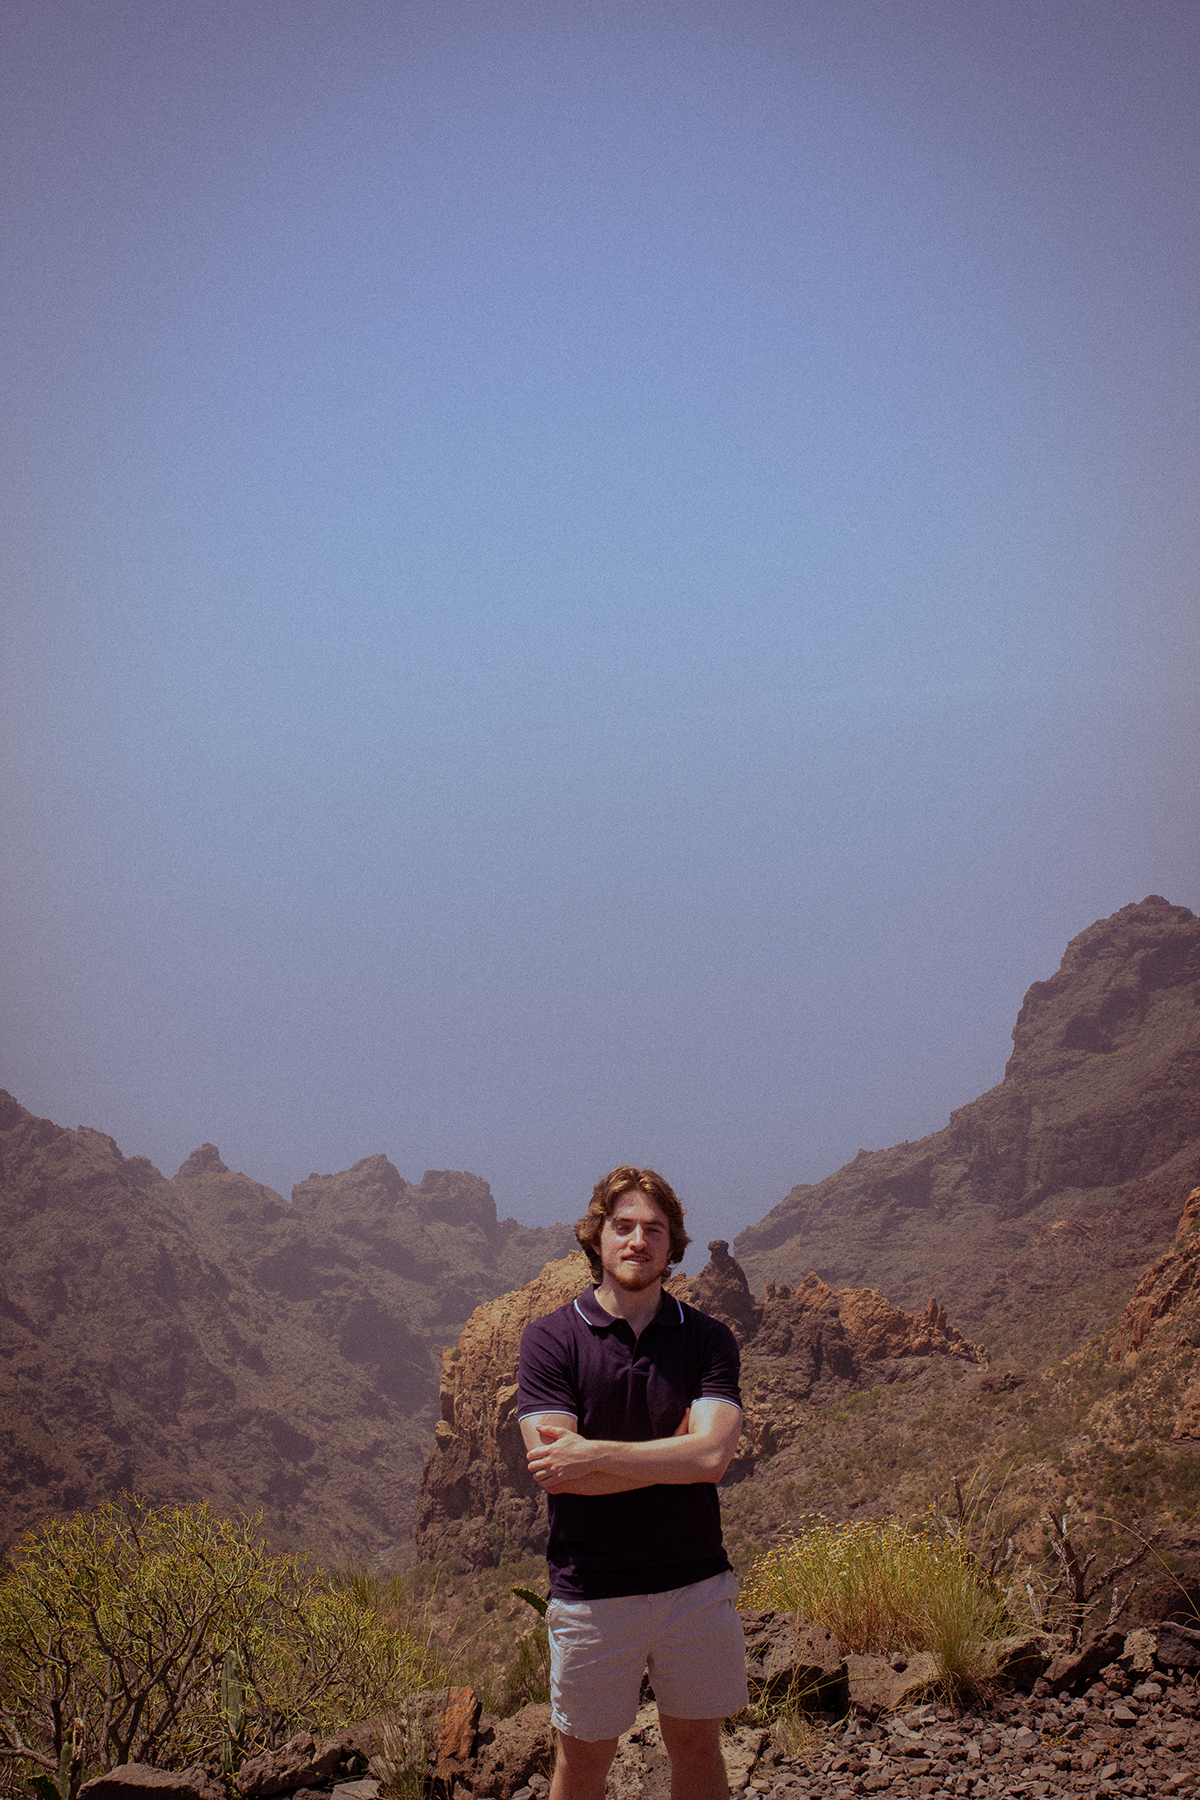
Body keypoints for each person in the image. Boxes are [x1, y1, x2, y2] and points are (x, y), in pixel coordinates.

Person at [517, 1165, 747, 1800]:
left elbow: (710, 1462)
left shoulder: (708, 1339)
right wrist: (672, 1457)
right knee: (584, 1761)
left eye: (654, 1229)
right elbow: (557, 1479)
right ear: (597, 1238)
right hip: (592, 1591)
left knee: (699, 1747)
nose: (637, 1241)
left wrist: (595, 1452)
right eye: (623, 1227)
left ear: (673, 1244)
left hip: (695, 1584)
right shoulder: (550, 1340)